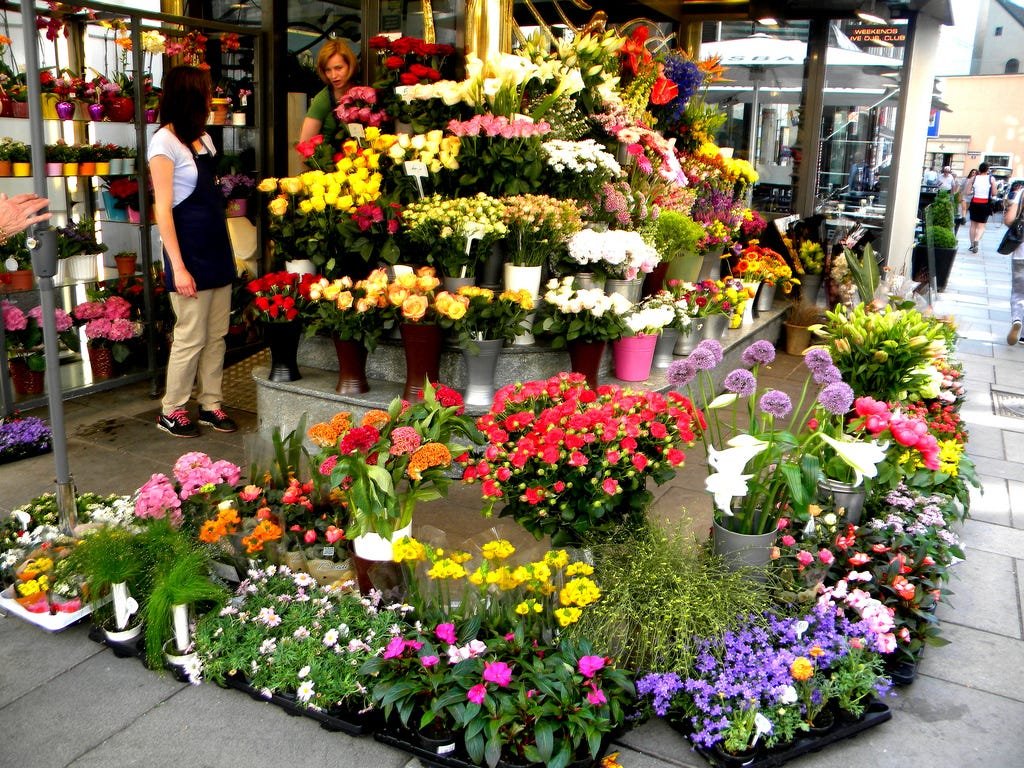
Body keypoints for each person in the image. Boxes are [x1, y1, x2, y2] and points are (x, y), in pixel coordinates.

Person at [149, 65, 238, 437]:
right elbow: (163, 209)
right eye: (206, 92)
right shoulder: (163, 143)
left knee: (217, 334)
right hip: (188, 255)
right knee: (191, 335)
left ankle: (210, 404)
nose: (211, 98)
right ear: (191, 97)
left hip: (217, 250)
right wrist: (178, 267)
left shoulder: (202, 139)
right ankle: (172, 409)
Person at [298, 39, 357, 144]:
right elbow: (304, 145)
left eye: (338, 68)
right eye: (328, 70)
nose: (333, 76)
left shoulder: (362, 93)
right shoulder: (322, 100)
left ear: (350, 66)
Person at [1005, 180, 1024, 345]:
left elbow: (1009, 219)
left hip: (1021, 253)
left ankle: (1017, 319)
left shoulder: (1021, 193)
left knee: (1018, 293)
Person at [967, 162, 998, 253]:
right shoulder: (991, 179)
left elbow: (967, 192)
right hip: (985, 204)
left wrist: (974, 191)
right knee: (981, 226)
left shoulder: (974, 178)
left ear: (979, 169)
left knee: (973, 225)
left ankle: (972, 244)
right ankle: (977, 240)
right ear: (987, 170)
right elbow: (994, 193)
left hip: (975, 203)